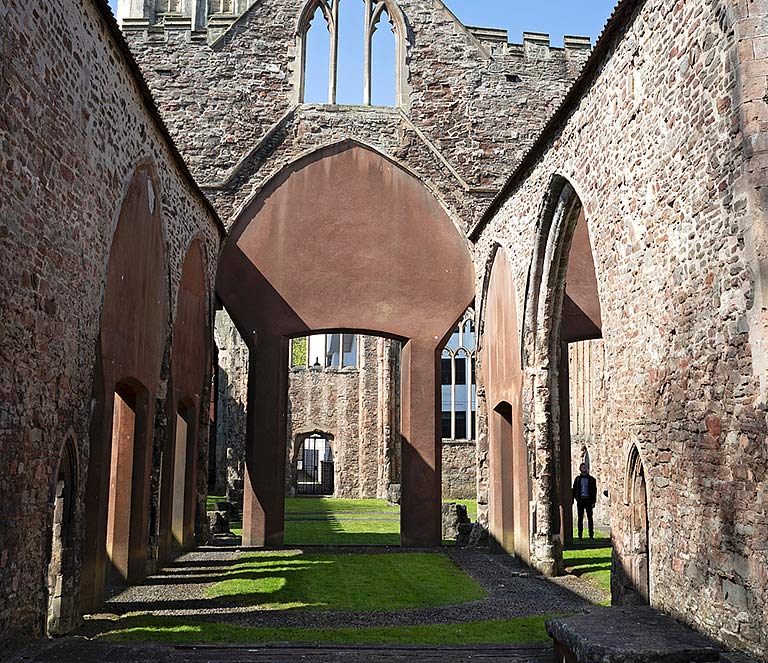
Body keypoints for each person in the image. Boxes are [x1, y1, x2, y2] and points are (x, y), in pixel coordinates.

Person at [572, 462, 597, 539]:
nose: (584, 469)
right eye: (583, 467)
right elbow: (574, 489)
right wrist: (575, 498)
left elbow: (594, 491)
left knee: (590, 518)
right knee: (580, 518)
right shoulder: (578, 479)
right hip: (581, 500)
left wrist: (593, 501)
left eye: (585, 467)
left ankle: (591, 535)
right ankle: (580, 535)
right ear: (580, 469)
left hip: (588, 500)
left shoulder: (592, 479)